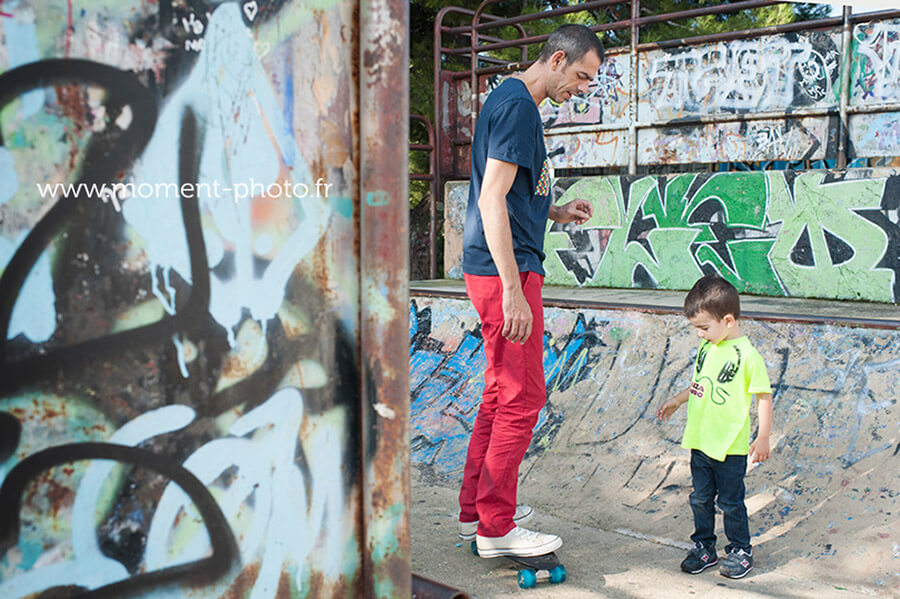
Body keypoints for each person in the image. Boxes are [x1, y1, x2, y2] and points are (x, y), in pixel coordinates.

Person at [457, 24, 604, 559]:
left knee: (501, 393)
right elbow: (492, 199)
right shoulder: (520, 106)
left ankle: (477, 513)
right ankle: (497, 529)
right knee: (523, 398)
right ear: (558, 59)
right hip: (507, 272)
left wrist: (555, 212)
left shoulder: (509, 99)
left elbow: (509, 194)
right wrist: (514, 289)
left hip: (496, 267)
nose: (583, 89)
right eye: (582, 77)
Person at [656, 274, 774, 579]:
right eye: (696, 328)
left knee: (731, 502)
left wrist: (763, 437)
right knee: (700, 498)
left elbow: (763, 396)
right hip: (700, 441)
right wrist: (678, 400)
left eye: (704, 328)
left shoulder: (747, 356)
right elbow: (700, 385)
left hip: (730, 446)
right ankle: (705, 547)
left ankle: (740, 550)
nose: (700, 334)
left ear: (729, 321)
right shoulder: (709, 348)